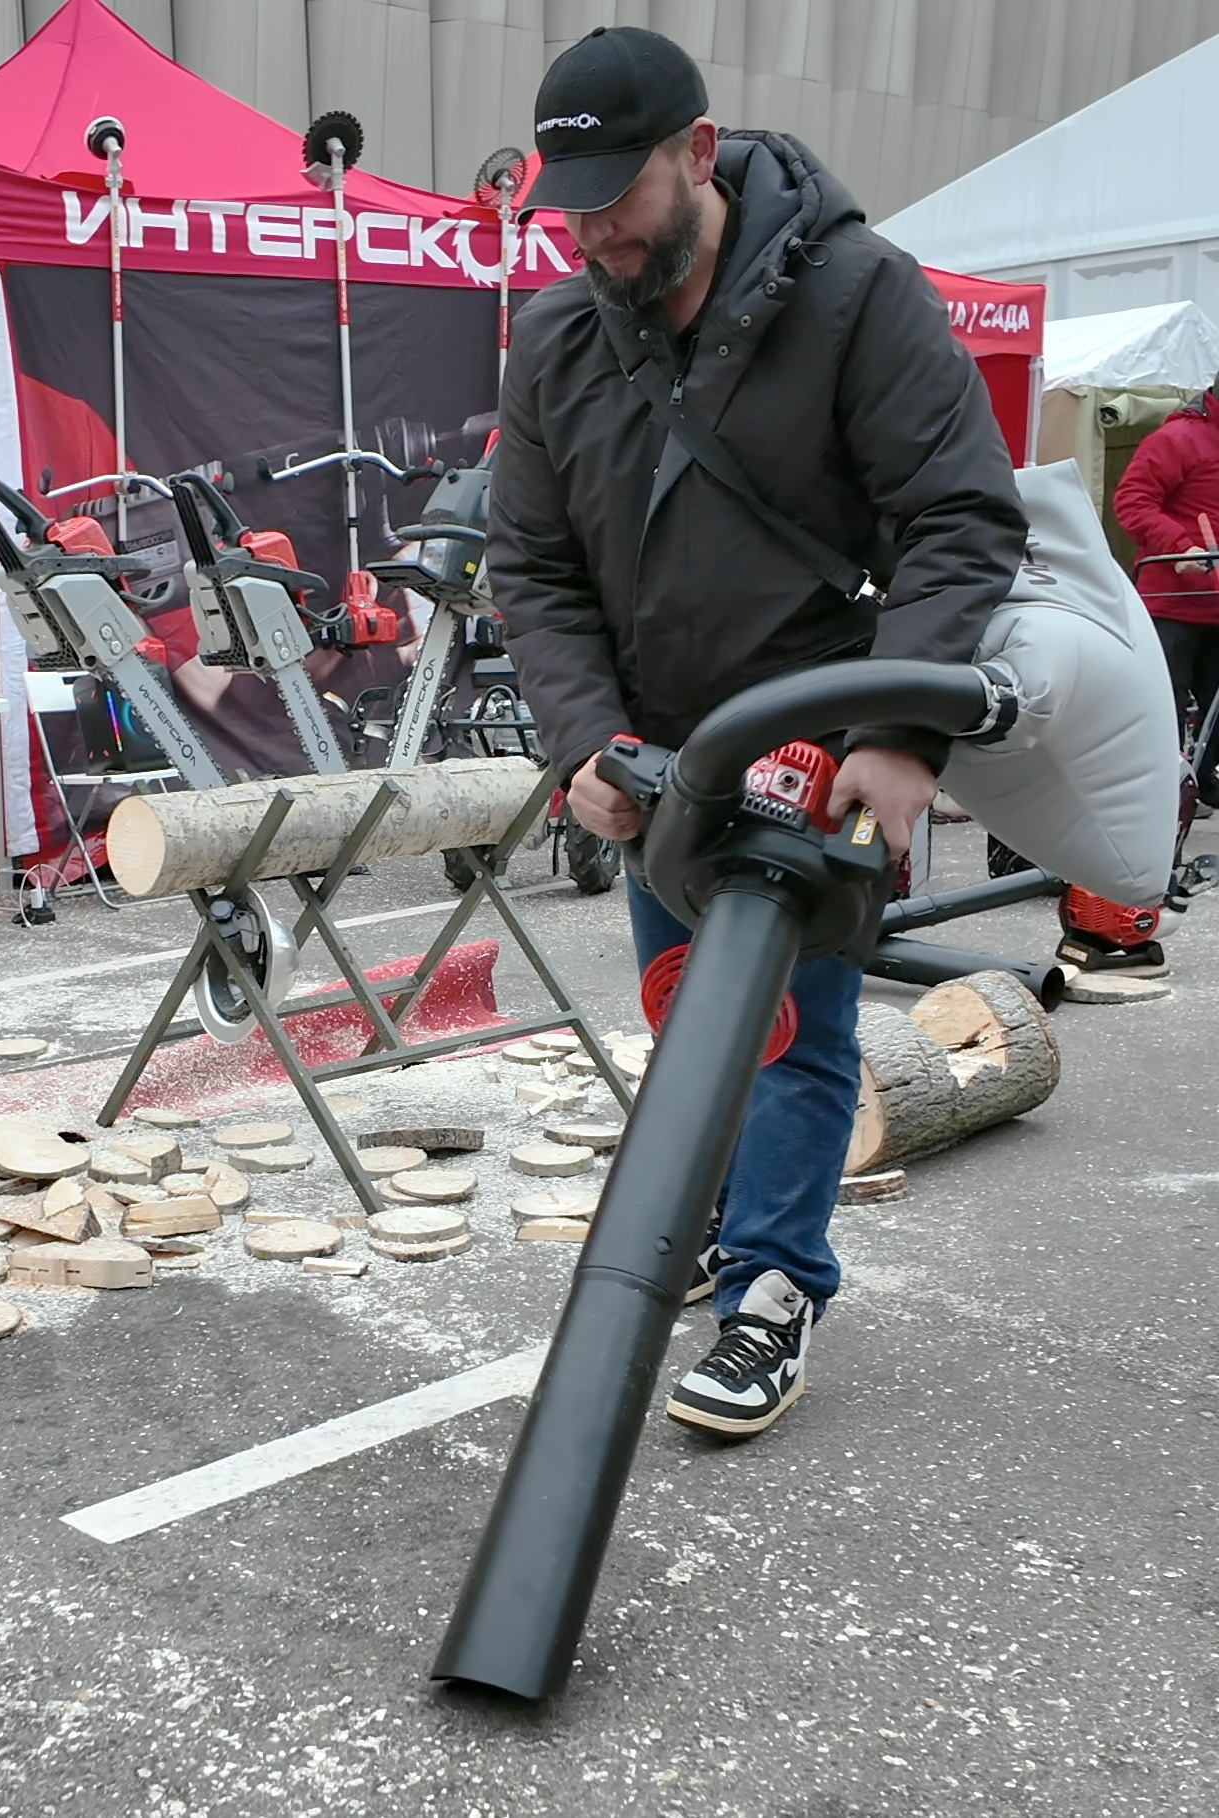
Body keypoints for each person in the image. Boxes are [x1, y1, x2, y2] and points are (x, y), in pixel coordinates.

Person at [489, 27, 1027, 1436]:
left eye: (620, 194)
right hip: (661, 751)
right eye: (572, 201)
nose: (595, 229)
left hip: (817, 732)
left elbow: (958, 517)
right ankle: (720, 1223)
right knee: (687, 1011)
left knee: (791, 1023)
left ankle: (775, 1289)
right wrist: (585, 740)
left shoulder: (857, 296)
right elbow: (534, 569)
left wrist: (905, 731)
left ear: (700, 152)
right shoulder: (555, 339)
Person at [1113, 379, 1219, 793]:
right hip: (1171, 605)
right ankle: (1162, 792)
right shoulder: (1179, 438)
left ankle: (1203, 781)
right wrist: (1181, 547)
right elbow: (1132, 500)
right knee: (1163, 710)